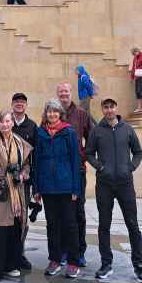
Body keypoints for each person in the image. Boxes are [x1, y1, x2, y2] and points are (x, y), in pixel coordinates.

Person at [86, 98, 142, 283]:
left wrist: (130, 167)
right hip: (104, 184)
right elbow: (89, 153)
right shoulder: (97, 131)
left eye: (112, 107)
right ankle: (106, 264)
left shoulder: (127, 129)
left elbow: (138, 152)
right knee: (104, 225)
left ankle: (139, 266)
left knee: (133, 224)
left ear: (116, 108)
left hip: (125, 183)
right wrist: (100, 167)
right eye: (106, 107)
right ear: (102, 110)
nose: (109, 110)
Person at [0, 109, 33, 283]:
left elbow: (26, 164)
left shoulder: (19, 142)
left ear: (12, 123)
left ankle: (10, 266)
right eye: (2, 121)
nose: (5, 124)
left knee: (13, 231)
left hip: (16, 193)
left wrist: (24, 174)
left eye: (8, 121)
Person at [32, 99, 82, 278]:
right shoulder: (41, 133)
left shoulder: (69, 132)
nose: (52, 114)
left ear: (60, 113)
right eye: (49, 111)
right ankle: (54, 259)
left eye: (55, 111)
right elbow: (36, 161)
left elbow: (75, 160)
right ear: (45, 114)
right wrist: (36, 188)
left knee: (70, 225)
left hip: (66, 186)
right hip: (47, 187)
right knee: (52, 225)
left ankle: (73, 262)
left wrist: (76, 188)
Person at [0, 92, 38, 269]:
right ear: (12, 104)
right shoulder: (2, 123)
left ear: (26, 105)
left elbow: (34, 156)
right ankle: (4, 254)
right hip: (3, 183)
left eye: (22, 102)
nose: (19, 104)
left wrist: (28, 174)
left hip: (22, 182)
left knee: (21, 218)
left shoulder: (32, 126)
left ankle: (19, 253)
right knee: (4, 217)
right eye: (16, 102)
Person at [54, 81, 93, 268]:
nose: (64, 94)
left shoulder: (82, 114)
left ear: (71, 93)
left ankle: (79, 252)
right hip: (58, 174)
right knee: (61, 213)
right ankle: (63, 250)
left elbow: (92, 140)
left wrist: (81, 156)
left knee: (78, 212)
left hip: (77, 172)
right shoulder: (52, 114)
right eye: (61, 92)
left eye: (66, 91)